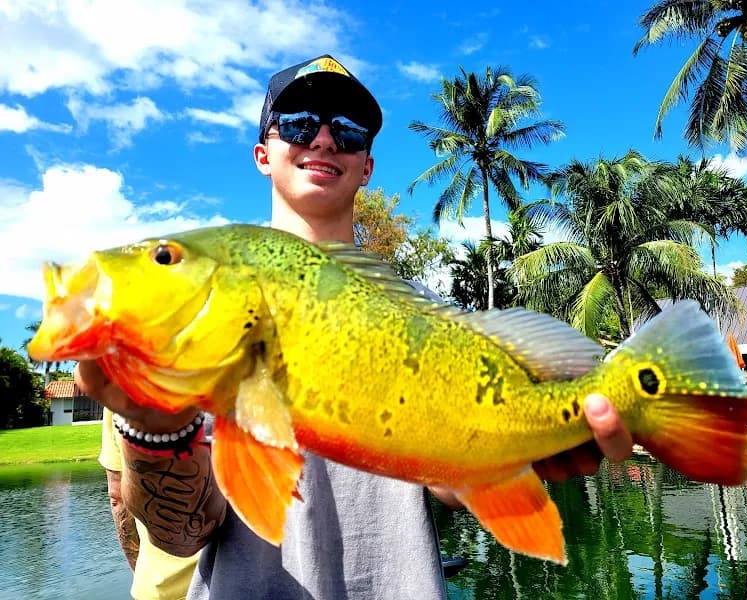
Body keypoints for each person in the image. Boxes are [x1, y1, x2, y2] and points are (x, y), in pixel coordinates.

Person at [76, 54, 633, 599]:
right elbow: (167, 530)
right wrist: (155, 434)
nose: (322, 139)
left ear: (366, 165)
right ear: (262, 154)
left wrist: (511, 449)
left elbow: (448, 478)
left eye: (347, 129)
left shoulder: (426, 316)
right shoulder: (181, 300)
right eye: (297, 123)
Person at [98, 407, 203, 600]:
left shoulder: (120, 390)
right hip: (238, 581)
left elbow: (117, 498)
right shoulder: (241, 380)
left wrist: (139, 570)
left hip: (157, 588)